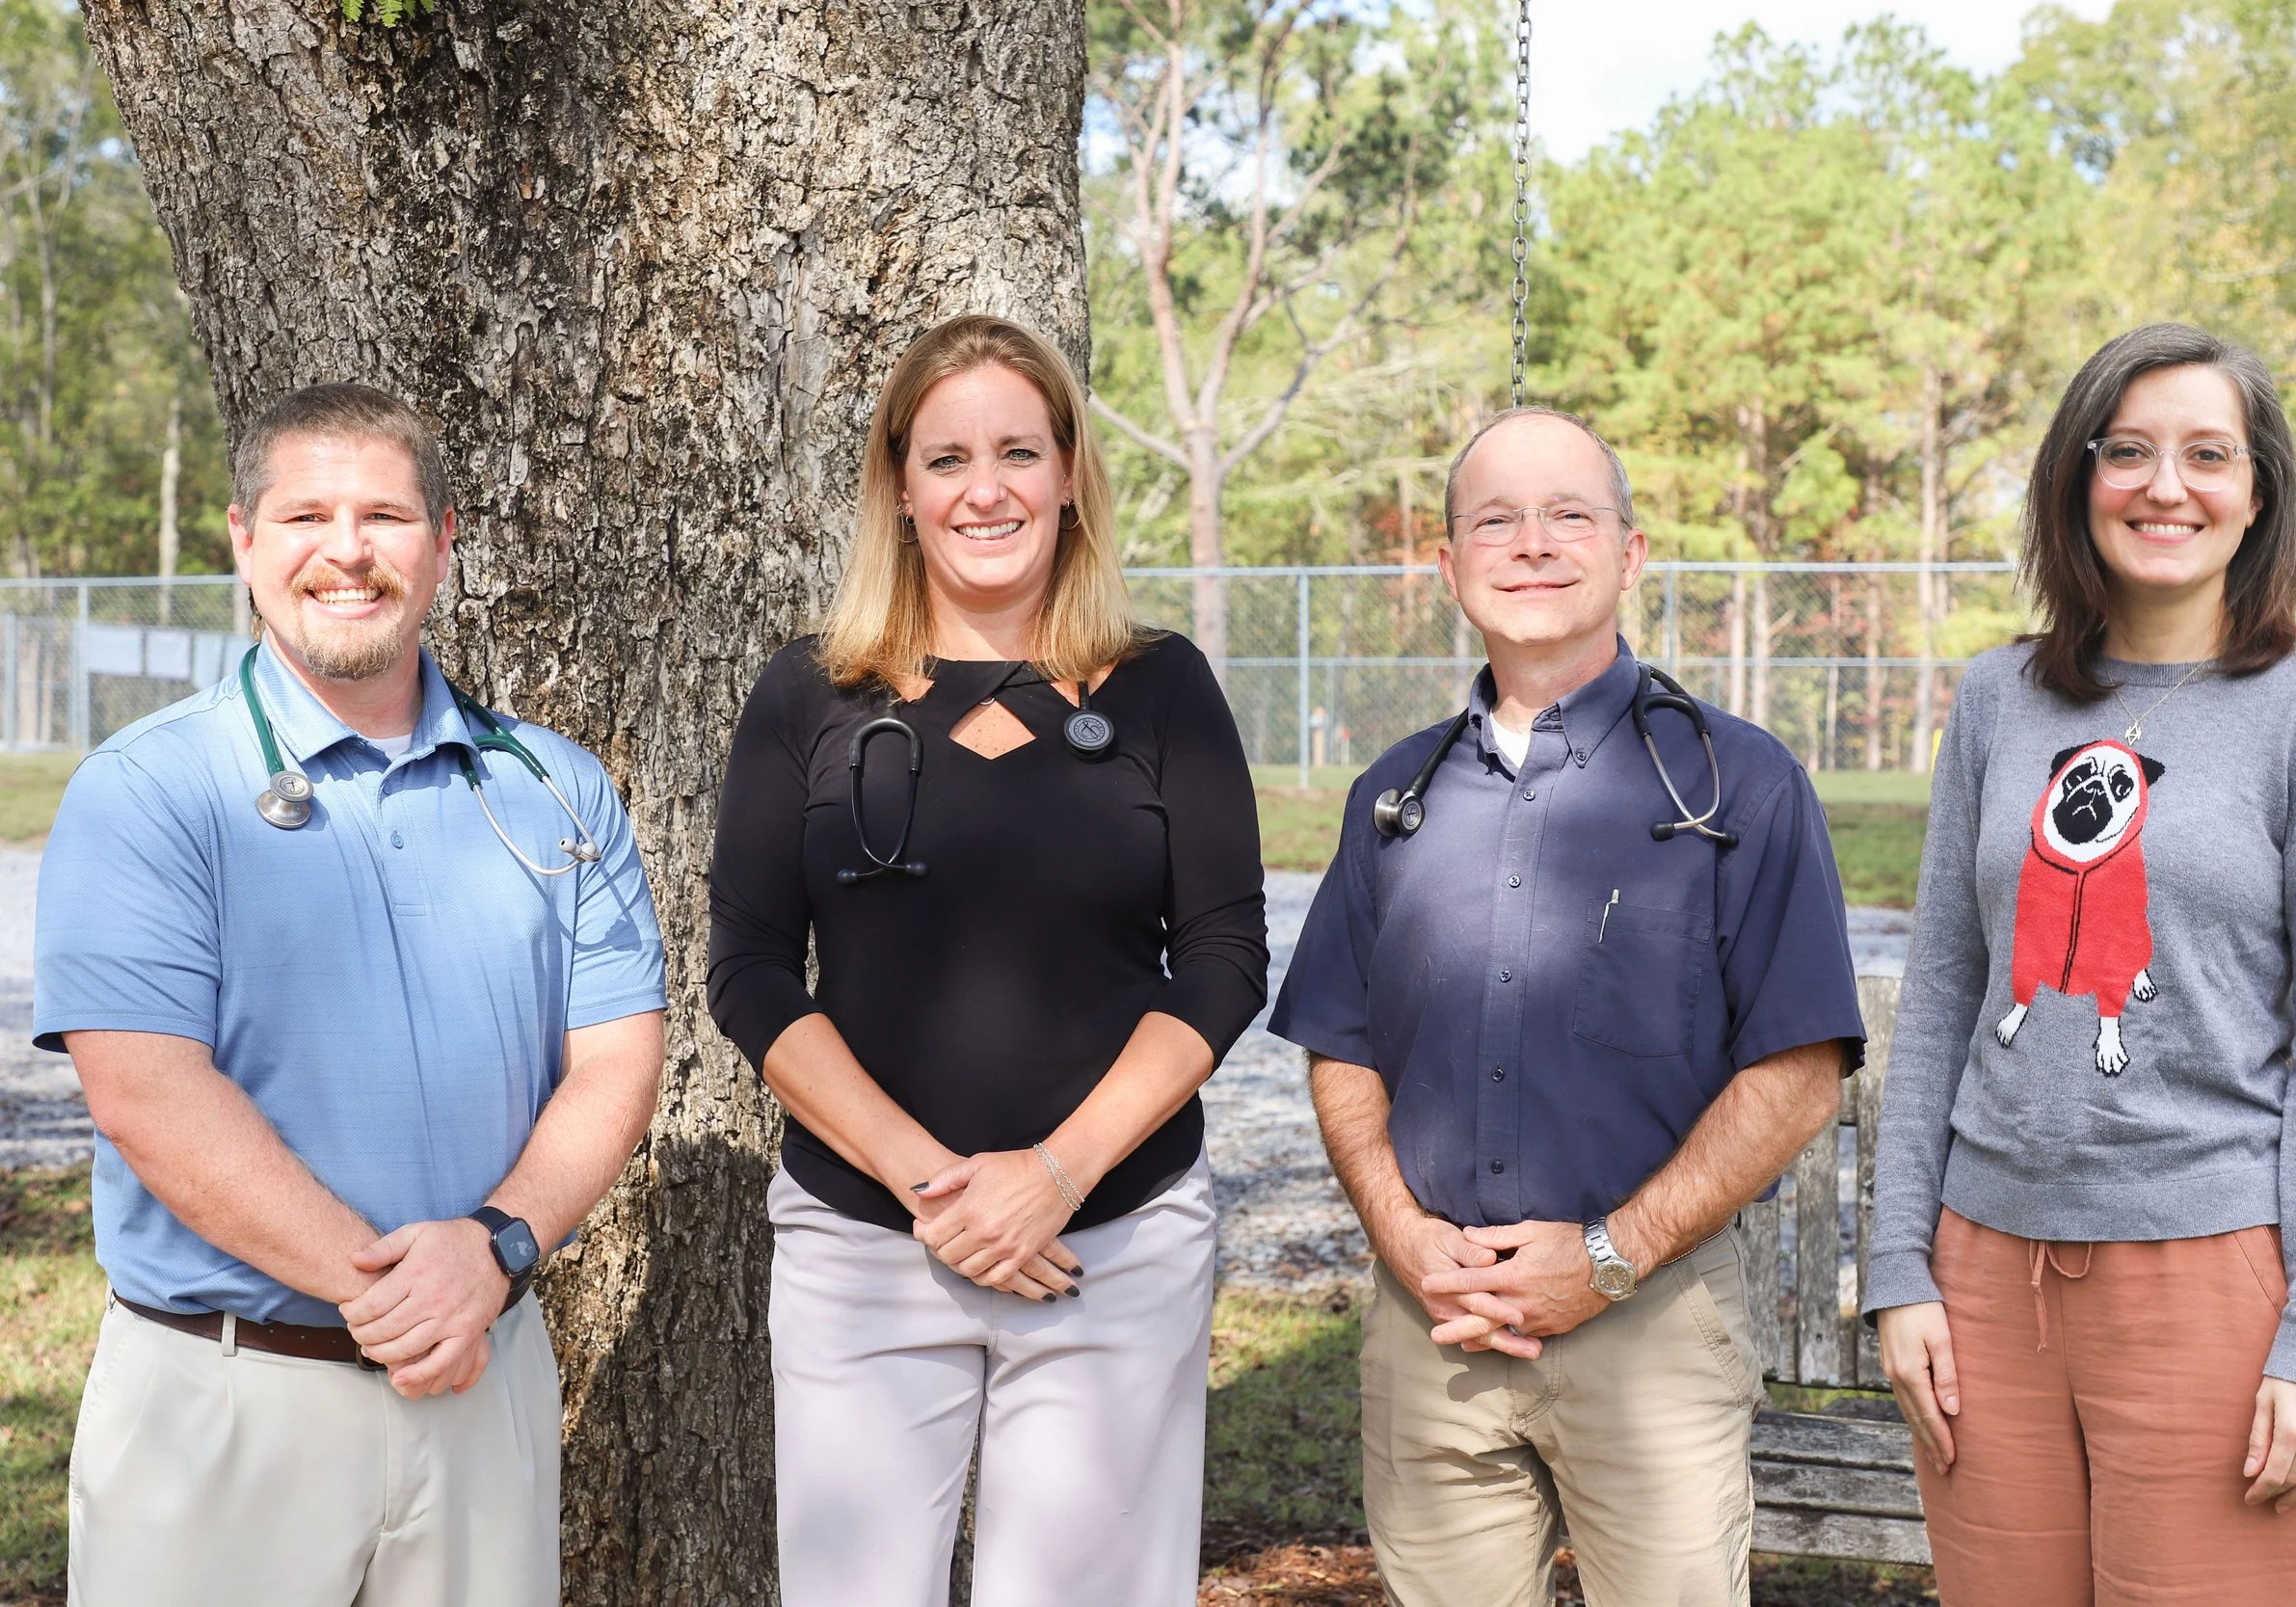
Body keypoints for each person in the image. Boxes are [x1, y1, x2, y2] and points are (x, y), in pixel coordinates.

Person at [38, 383, 667, 1604]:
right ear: (243, 540)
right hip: (223, 1404)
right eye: (305, 515)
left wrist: (490, 1251)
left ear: (442, 542)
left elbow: (616, 1059)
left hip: (484, 1375)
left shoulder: (556, 790)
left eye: (384, 515)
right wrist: (393, 1294)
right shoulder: (148, 790)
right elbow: (146, 1094)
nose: (346, 550)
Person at [706, 312, 1268, 1607]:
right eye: (947, 456)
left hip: (1108, 1247)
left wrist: (1057, 1173)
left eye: (1020, 449)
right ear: (899, 486)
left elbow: (1227, 958)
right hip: (865, 1248)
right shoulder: (811, 695)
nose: (986, 487)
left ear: (1071, 472)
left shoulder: (1162, 687)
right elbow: (748, 968)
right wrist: (935, 1185)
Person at [1268, 405, 1864, 1607]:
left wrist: (1604, 1257)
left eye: (1568, 513)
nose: (1531, 542)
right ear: (1448, 567)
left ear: (1630, 554)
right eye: (1495, 519)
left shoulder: (1735, 782)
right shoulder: (1396, 794)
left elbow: (1798, 1066)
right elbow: (1339, 1043)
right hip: (1432, 1323)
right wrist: (1399, 1231)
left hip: (1647, 1320)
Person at [1864, 323, 2296, 1606]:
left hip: (2216, 1285)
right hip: (1986, 1288)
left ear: (2259, 490)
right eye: (2130, 450)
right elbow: (1944, 990)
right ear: (2077, 477)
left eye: (2208, 453)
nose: (2168, 485)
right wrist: (1901, 1269)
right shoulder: (1999, 699)